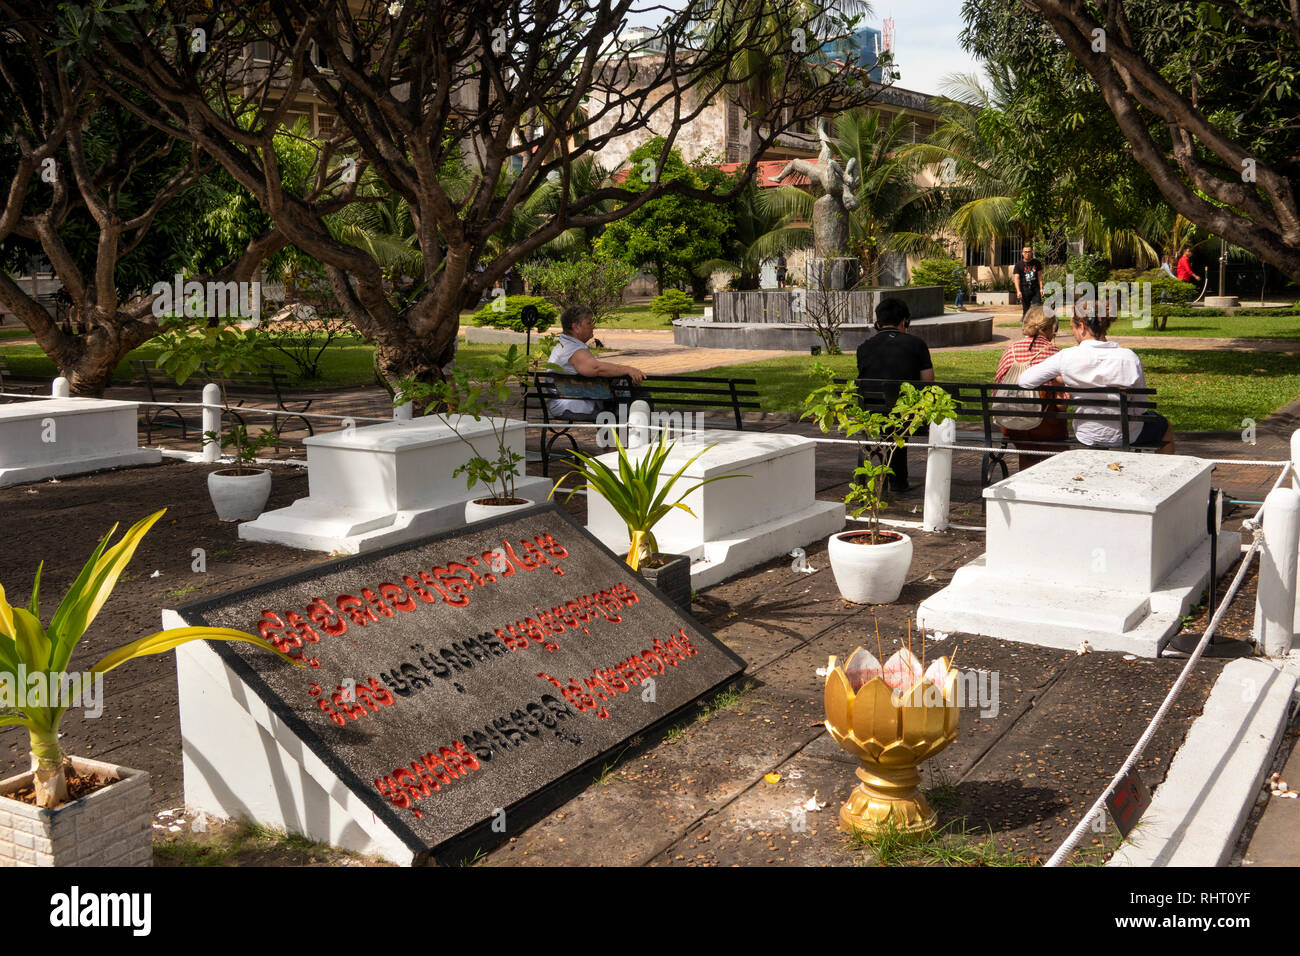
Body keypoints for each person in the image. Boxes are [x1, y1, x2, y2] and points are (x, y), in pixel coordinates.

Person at [1018, 311, 1175, 454]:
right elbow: (1140, 409)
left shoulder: (1066, 356)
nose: (1073, 333)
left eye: (1072, 327)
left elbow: (1025, 381)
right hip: (1127, 434)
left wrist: (1059, 378)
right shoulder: (1129, 357)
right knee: (1164, 425)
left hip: (1086, 432)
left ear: (1082, 326)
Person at [855, 297, 934, 492]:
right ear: (905, 321)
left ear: (878, 323)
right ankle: (898, 482)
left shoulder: (864, 347)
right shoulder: (917, 344)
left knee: (890, 416)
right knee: (900, 416)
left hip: (871, 415)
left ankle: (881, 481)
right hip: (907, 417)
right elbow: (929, 381)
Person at [994, 306, 1067, 471]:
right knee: (1051, 433)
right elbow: (1062, 406)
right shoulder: (1054, 353)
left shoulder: (1010, 351)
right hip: (1047, 428)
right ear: (1050, 328)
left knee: (1028, 445)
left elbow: (995, 391)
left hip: (1012, 426)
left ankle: (1026, 475)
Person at [546, 304, 646, 420]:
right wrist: (628, 369)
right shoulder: (572, 349)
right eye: (589, 323)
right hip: (572, 406)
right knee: (625, 409)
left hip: (570, 403)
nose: (593, 326)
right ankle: (636, 427)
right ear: (576, 327)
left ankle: (622, 431)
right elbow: (596, 368)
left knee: (618, 405)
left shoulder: (563, 346)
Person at [1013, 244, 1043, 317]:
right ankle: (1026, 326)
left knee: (1037, 307)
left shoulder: (1036, 263)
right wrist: (1018, 291)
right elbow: (1016, 279)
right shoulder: (1018, 265)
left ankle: (1036, 325)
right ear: (1022, 253)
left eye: (1029, 252)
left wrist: (1041, 288)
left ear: (1031, 252)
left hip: (1035, 289)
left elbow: (1039, 276)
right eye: (1025, 252)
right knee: (1026, 310)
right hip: (1024, 289)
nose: (1027, 253)